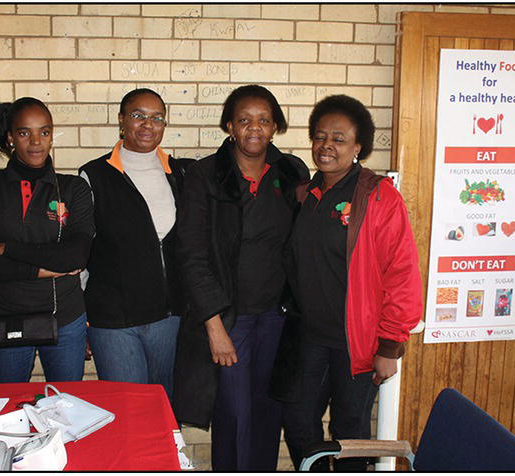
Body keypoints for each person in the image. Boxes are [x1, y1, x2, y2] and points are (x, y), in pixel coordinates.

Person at [277, 94, 423, 471]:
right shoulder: (307, 194)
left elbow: (402, 271)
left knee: (350, 431)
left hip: (356, 342)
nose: (327, 146)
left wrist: (390, 346)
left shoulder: (378, 195)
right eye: (320, 136)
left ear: (359, 147)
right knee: (298, 422)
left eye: (339, 139)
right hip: (309, 337)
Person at [173, 85, 310, 471]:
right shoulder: (205, 175)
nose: (255, 128)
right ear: (230, 126)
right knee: (234, 413)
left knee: (268, 411)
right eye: (245, 120)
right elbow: (191, 254)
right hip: (229, 317)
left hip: (277, 316)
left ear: (275, 127)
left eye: (264, 120)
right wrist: (214, 325)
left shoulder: (291, 171)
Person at [0, 97, 95, 383]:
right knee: (7, 408)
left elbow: (76, 257)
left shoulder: (72, 188)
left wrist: (7, 248)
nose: (36, 142)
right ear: (10, 138)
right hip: (7, 319)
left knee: (66, 408)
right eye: (24, 133)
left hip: (65, 320)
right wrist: (45, 269)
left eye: (44, 132)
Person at [79, 88, 192, 399]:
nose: (148, 125)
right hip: (113, 321)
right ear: (121, 120)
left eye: (157, 118)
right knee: (128, 409)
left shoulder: (180, 173)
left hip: (168, 318)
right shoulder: (94, 175)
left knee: (166, 408)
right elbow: (83, 253)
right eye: (138, 116)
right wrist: (82, 318)